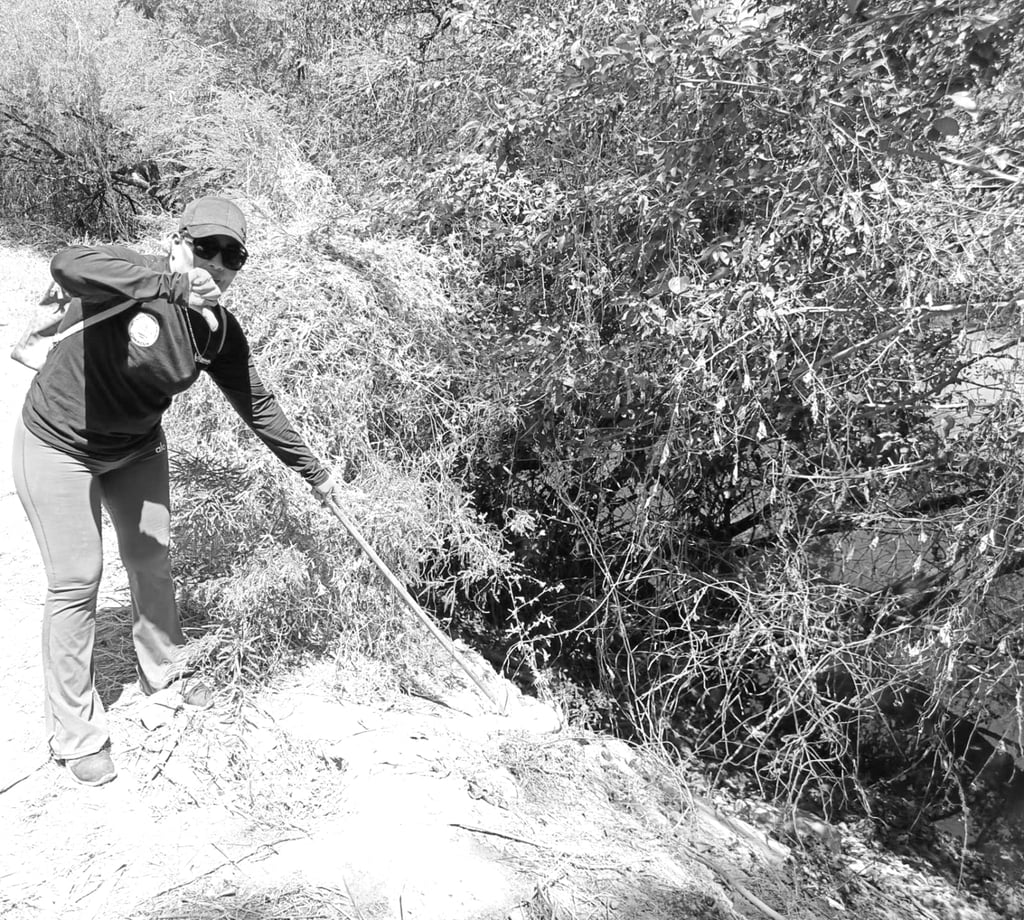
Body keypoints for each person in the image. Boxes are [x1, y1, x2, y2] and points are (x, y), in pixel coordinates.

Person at [12, 196, 340, 787]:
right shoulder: (131, 276)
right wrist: (167, 284)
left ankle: (166, 670)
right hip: (58, 444)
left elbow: (257, 405)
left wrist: (314, 472)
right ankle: (75, 732)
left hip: (135, 448)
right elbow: (66, 263)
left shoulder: (216, 334)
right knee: (76, 578)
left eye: (231, 255)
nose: (216, 263)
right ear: (179, 241)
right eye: (205, 247)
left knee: (151, 558)